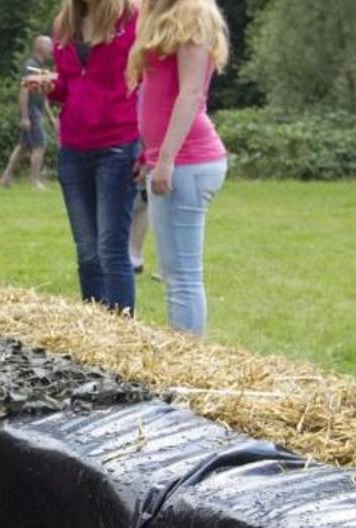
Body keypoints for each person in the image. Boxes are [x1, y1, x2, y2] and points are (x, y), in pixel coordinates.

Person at [25, 0, 141, 314]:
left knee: (111, 248)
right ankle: (93, 335)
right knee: (87, 252)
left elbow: (148, 77)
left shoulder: (132, 17)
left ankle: (122, 339)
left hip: (118, 143)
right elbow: (70, 85)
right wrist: (49, 87)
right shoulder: (65, 22)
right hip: (74, 147)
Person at [127, 0, 229, 334]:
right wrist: (151, 154)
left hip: (189, 160)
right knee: (176, 276)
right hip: (173, 158)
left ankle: (186, 369)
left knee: (182, 277)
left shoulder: (192, 14)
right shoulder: (159, 14)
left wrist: (166, 159)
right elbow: (153, 93)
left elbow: (190, 94)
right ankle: (182, 361)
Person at [0, 36, 57, 189]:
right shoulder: (31, 66)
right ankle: (35, 181)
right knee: (40, 145)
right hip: (31, 111)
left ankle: (5, 179)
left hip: (34, 110)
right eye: (49, 45)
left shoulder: (40, 68)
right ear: (39, 47)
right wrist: (24, 116)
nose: (52, 49)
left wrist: (50, 117)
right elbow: (23, 91)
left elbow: (42, 95)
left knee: (23, 146)